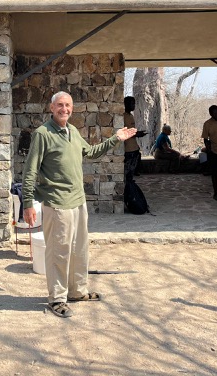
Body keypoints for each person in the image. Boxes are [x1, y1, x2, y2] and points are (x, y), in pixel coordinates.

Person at [22, 91, 137, 318]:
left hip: (78, 201)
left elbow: (91, 152)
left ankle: (77, 291)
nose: (64, 109)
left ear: (72, 108)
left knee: (79, 250)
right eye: (60, 105)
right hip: (57, 203)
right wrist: (27, 203)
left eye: (68, 105)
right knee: (59, 253)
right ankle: (57, 299)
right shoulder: (43, 134)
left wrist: (116, 139)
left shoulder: (72, 131)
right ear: (51, 108)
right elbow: (30, 171)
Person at [123, 96, 147, 183]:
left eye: (134, 103)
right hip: (128, 148)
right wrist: (137, 134)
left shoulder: (131, 116)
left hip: (134, 147)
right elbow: (125, 132)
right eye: (132, 104)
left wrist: (138, 133)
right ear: (126, 104)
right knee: (127, 172)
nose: (134, 106)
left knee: (131, 172)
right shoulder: (123, 116)